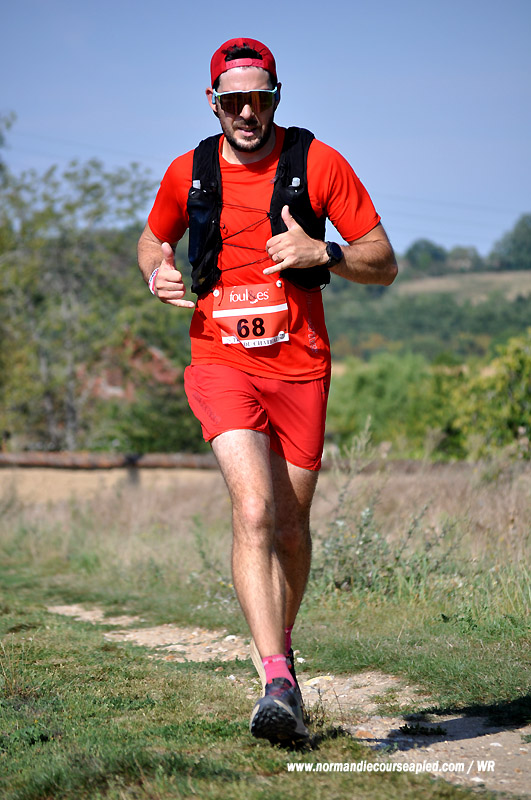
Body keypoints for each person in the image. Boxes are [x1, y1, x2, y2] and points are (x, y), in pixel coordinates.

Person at [137, 36, 397, 746]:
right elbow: (151, 240)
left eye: (260, 99)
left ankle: (277, 642)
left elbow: (384, 261)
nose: (247, 112)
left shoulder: (316, 163)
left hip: (300, 366)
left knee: (288, 524)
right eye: (233, 101)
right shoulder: (187, 171)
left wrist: (326, 253)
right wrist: (154, 272)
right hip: (219, 361)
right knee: (251, 509)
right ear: (212, 101)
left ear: (275, 97)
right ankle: (276, 677)